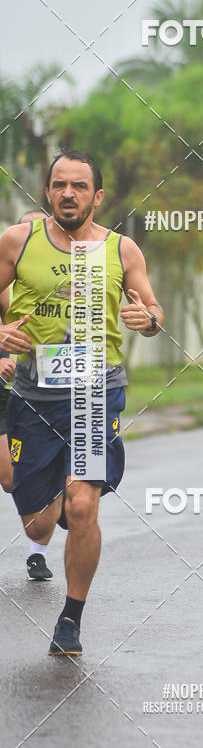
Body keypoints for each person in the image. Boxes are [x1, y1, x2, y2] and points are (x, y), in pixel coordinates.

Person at [0, 150, 163, 655]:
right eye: (59, 185)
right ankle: (57, 507)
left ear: (98, 196)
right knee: (35, 520)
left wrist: (149, 319)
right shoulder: (17, 242)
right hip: (32, 394)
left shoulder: (121, 249)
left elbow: (151, 308)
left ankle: (70, 618)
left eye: (79, 185)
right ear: (48, 192)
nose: (68, 193)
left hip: (97, 390)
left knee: (83, 505)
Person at [0, 211, 56, 580]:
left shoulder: (63, 281)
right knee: (8, 477)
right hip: (4, 390)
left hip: (42, 392)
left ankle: (37, 551)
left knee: (29, 476)